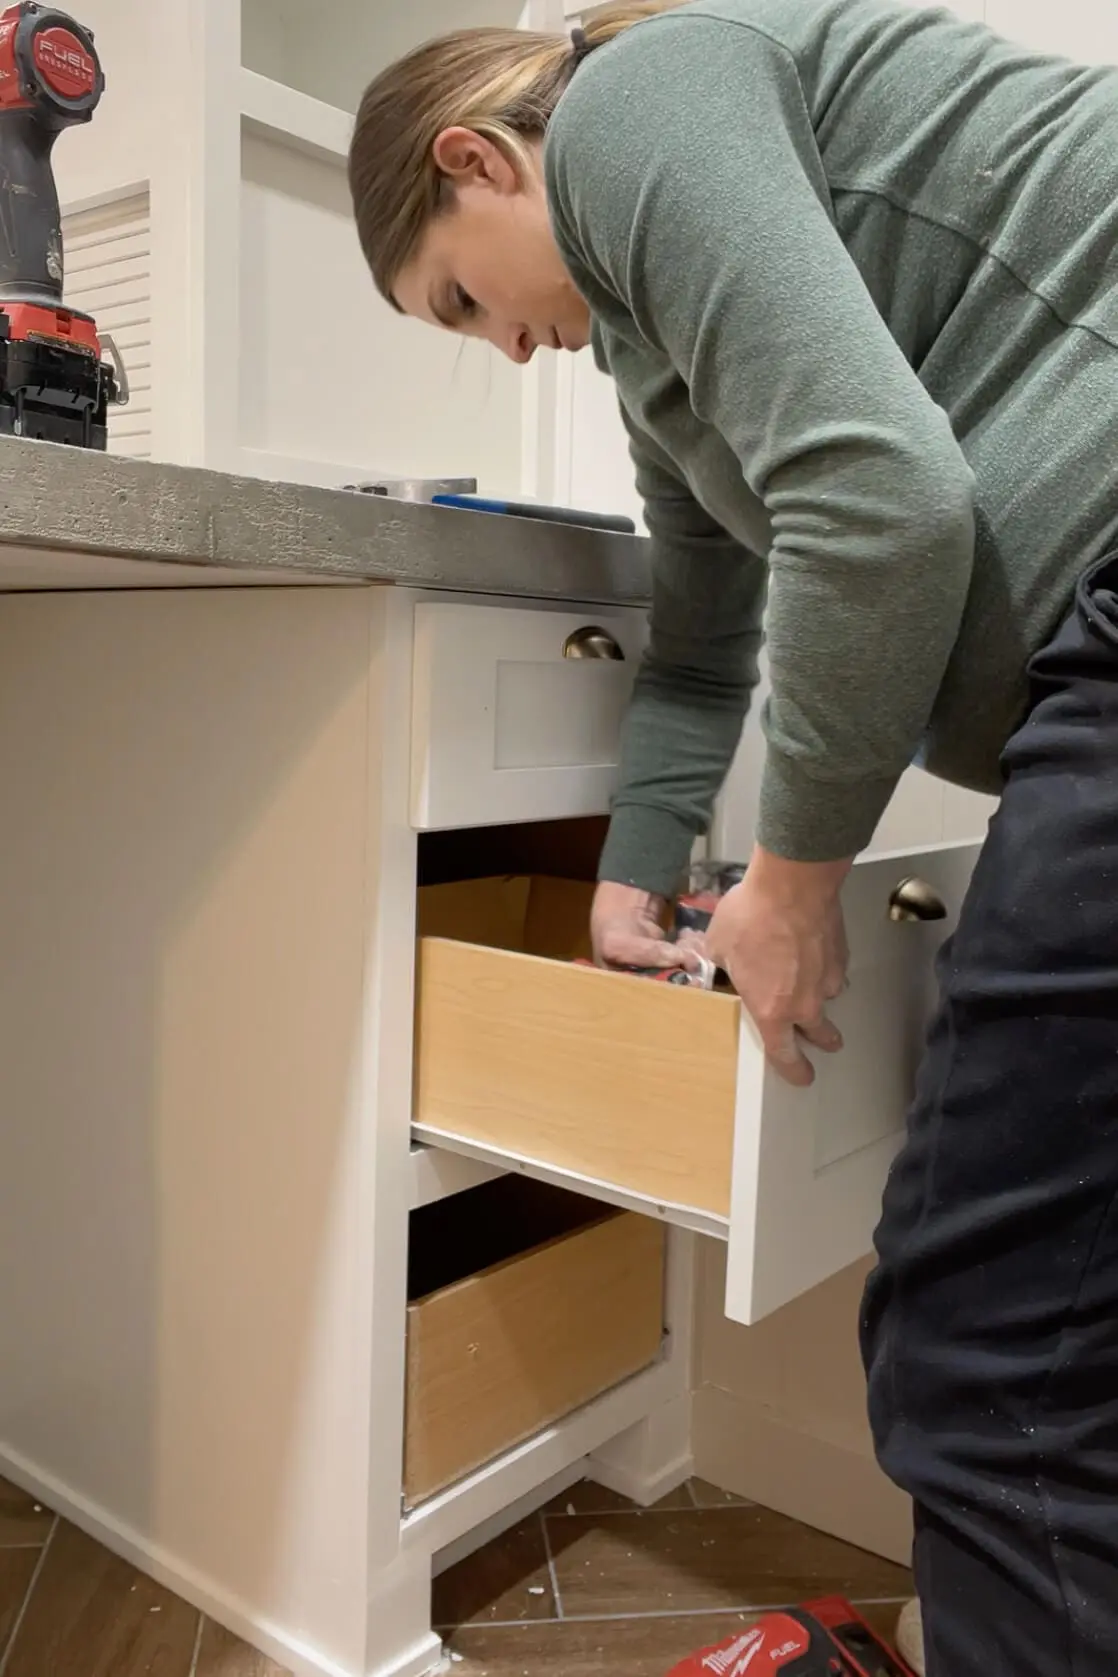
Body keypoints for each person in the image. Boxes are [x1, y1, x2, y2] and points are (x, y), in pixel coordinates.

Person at [347, 3, 1118, 1672]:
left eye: (461, 296)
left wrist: (790, 881)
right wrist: (634, 874)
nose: (498, 349)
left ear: (476, 160)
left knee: (980, 1349)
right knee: (1061, 1317)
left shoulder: (636, 99)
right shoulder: (651, 357)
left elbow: (882, 502)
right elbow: (702, 645)